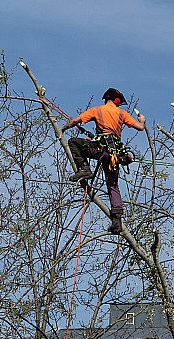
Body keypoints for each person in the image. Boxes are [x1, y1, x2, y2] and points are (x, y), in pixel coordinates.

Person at [60, 88, 146, 233]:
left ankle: (85, 169)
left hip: (99, 149)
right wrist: (142, 120)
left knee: (73, 142)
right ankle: (117, 221)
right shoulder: (122, 113)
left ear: (106, 98)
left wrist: (62, 129)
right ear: (117, 100)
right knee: (113, 185)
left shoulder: (97, 110)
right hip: (115, 155)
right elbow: (140, 127)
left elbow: (75, 121)